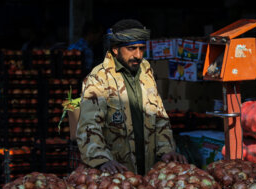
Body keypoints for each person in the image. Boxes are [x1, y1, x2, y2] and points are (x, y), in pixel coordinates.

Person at [76, 19, 186, 175]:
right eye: (131, 48)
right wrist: (102, 160)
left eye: (141, 48)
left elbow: (160, 116)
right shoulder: (99, 78)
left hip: (147, 169)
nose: (138, 55)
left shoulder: (146, 72)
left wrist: (166, 149)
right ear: (115, 49)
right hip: (116, 176)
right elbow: (89, 126)